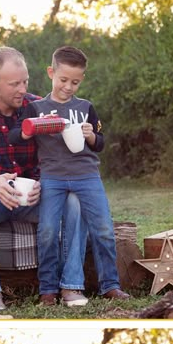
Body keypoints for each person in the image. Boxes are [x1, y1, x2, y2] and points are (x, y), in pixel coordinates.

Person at [0, 45, 84, 313]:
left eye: (25, 81)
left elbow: (58, 160)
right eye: (14, 84)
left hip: (34, 198)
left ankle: (71, 285)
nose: (22, 89)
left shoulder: (39, 108)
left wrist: (44, 184)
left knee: (75, 200)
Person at [26, 46, 128, 306]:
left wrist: (90, 135)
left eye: (75, 82)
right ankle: (47, 289)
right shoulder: (37, 107)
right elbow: (20, 134)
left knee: (104, 229)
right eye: (63, 80)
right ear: (51, 73)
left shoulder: (86, 107)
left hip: (87, 175)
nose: (68, 87)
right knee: (48, 230)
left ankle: (110, 285)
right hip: (53, 177)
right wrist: (35, 127)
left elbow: (100, 142)